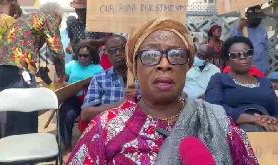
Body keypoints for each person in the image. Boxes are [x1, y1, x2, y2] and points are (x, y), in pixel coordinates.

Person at [66, 18, 258, 165]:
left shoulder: (218, 121)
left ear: (187, 66)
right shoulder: (104, 128)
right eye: (150, 56)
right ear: (135, 67)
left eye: (176, 55)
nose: (164, 65)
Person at [0, 2, 66, 138]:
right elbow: (57, 51)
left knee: (9, 106)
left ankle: (7, 145)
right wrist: (61, 77)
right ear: (55, 15)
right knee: (27, 107)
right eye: (60, 21)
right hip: (20, 67)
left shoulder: (26, 19)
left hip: (3, 65)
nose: (59, 25)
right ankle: (26, 149)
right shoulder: (48, 19)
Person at [205, 36, 278, 132]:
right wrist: (253, 119)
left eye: (247, 53)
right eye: (236, 55)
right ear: (227, 60)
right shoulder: (220, 79)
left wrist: (270, 119)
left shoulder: (265, 83)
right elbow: (213, 107)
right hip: (232, 130)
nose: (243, 57)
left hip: (268, 130)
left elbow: (275, 111)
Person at [80, 34, 139, 122]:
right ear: (107, 55)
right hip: (108, 131)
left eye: (122, 48)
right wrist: (120, 105)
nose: (118, 53)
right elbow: (85, 115)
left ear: (129, 50)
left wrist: (140, 100)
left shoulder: (143, 77)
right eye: (112, 51)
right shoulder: (99, 79)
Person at [60, 43, 103, 155]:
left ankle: (91, 144)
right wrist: (65, 84)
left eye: (85, 56)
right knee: (66, 114)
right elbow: (59, 79)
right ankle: (66, 143)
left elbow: (102, 84)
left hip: (91, 99)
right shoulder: (72, 65)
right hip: (74, 97)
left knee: (96, 117)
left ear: (92, 57)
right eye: (80, 55)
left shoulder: (97, 68)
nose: (82, 58)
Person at [230, 5, 269, 74]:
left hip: (260, 70)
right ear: (248, 16)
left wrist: (266, 68)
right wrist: (240, 29)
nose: (259, 20)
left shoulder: (262, 29)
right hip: (244, 71)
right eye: (256, 17)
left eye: (260, 18)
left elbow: (265, 50)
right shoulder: (237, 29)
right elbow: (232, 45)